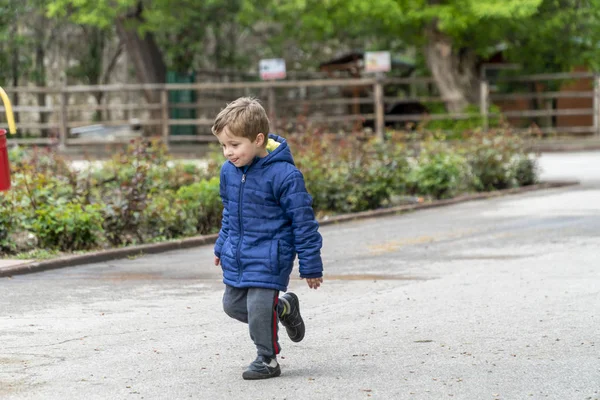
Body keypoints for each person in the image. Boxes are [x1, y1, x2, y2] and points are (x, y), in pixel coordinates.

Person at [211, 97, 324, 380]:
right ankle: (285, 307)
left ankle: (267, 359)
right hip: (239, 251)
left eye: (234, 145)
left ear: (258, 139)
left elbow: (303, 222)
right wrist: (221, 245)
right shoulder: (229, 172)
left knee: (260, 310)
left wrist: (310, 265)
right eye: (224, 145)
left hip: (272, 254)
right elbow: (230, 213)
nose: (228, 152)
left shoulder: (285, 175)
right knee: (233, 305)